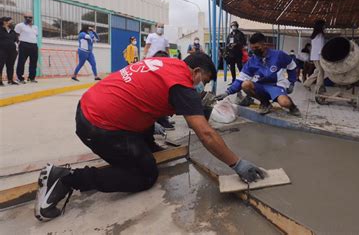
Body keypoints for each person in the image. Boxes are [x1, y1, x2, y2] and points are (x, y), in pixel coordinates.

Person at [34, 53, 265, 221]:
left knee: (144, 144)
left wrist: (150, 145)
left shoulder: (166, 63)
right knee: (144, 175)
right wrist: (236, 163)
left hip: (89, 106)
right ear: (194, 71)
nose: (200, 86)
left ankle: (145, 148)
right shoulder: (182, 83)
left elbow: (148, 100)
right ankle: (65, 179)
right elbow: (205, 133)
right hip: (99, 127)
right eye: (202, 80)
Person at [216, 32, 301, 116]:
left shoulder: (278, 55)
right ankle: (265, 103)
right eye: (252, 48)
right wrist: (227, 92)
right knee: (245, 84)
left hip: (276, 86)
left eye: (256, 47)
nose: (254, 50)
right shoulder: (252, 61)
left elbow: (292, 66)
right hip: (261, 87)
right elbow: (240, 79)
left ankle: (293, 107)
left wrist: (291, 82)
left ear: (264, 45)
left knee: (284, 103)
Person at [15, 12, 39, 83]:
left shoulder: (35, 27)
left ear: (32, 18)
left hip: (34, 45)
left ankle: (31, 78)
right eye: (26, 17)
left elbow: (35, 36)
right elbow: (16, 35)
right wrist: (18, 44)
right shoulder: (20, 25)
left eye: (30, 17)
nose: (28, 18)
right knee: (21, 62)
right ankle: (20, 78)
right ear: (24, 17)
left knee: (33, 62)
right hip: (24, 45)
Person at [303, 20, 326, 93]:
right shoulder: (320, 35)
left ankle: (307, 83)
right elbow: (320, 47)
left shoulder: (314, 35)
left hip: (314, 56)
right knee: (321, 71)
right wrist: (323, 56)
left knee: (318, 70)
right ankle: (319, 87)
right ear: (321, 26)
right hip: (319, 56)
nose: (325, 27)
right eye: (324, 25)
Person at [0, 17, 19, 86]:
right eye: (11, 22)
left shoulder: (13, 31)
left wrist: (16, 50)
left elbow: (16, 41)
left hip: (12, 52)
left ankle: (10, 80)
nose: (12, 23)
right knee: (0, 66)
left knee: (10, 66)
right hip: (2, 51)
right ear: (5, 22)